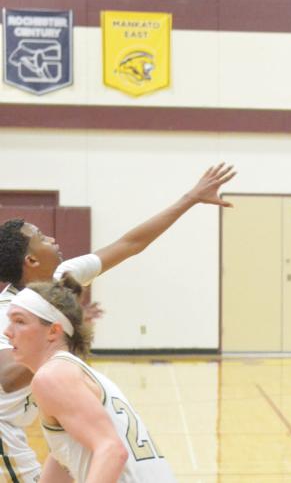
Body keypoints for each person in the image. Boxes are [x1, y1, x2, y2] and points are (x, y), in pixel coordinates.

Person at [0, 163, 234, 482]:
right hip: (5, 430)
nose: (51, 237)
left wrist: (190, 198)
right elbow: (7, 379)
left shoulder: (60, 278)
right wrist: (52, 338)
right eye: (40, 236)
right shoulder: (11, 311)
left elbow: (130, 244)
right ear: (31, 260)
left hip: (34, 422)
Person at [5, 276, 175, 481]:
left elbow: (112, 450)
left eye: (19, 321)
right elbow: (64, 457)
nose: (7, 332)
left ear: (53, 331)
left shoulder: (52, 376)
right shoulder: (70, 371)